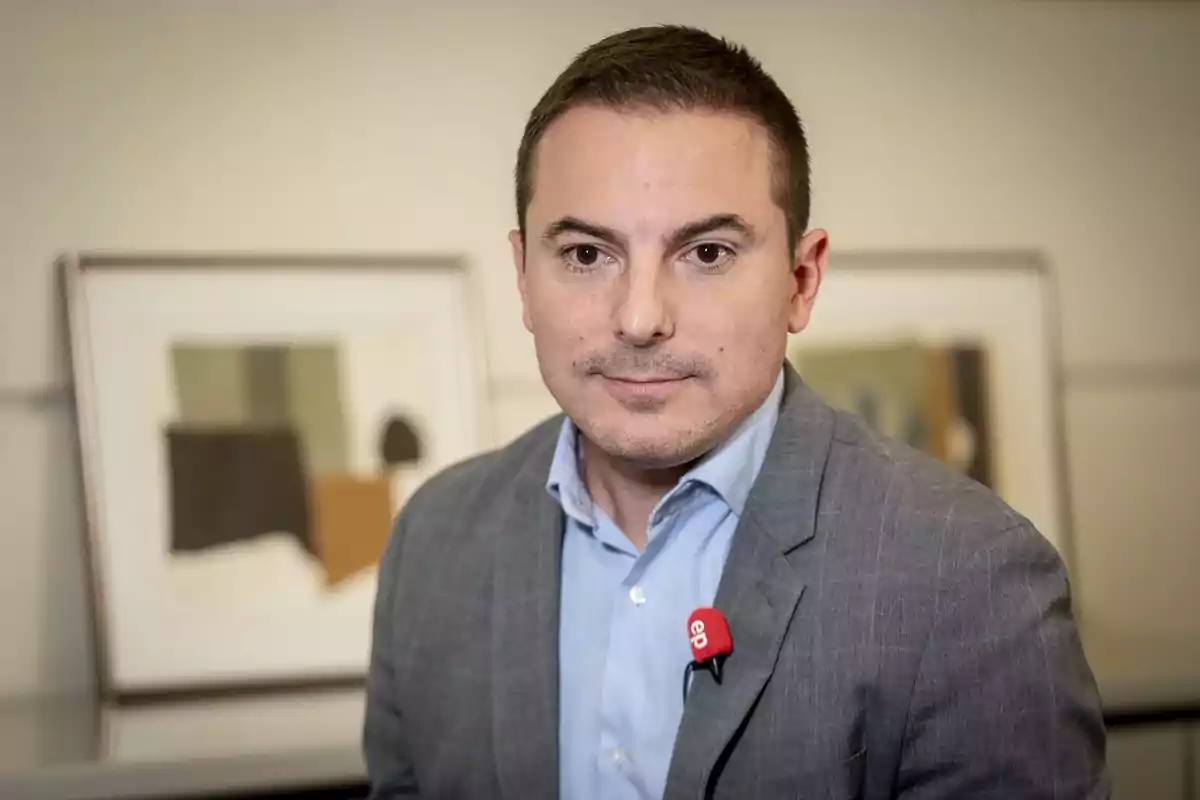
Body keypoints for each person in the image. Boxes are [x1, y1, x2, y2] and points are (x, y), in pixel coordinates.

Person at [362, 24, 1109, 800]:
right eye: (587, 254)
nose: (640, 317)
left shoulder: (970, 578)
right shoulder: (433, 541)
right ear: (523, 276)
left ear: (801, 280)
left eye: (707, 253)